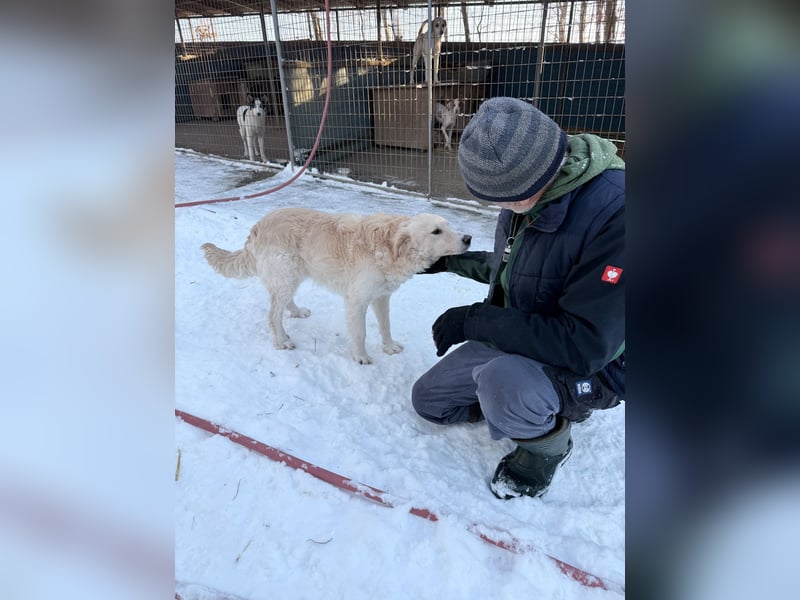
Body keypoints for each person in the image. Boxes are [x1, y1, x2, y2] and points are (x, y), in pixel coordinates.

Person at [413, 97, 625, 499]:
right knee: (430, 401)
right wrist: (448, 263)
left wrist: (475, 321)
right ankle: (519, 399)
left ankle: (546, 447)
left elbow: (586, 344)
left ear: (536, 175)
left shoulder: (619, 214)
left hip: (599, 365)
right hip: (530, 334)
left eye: (504, 199)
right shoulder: (532, 195)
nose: (498, 207)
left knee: (502, 382)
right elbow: (516, 261)